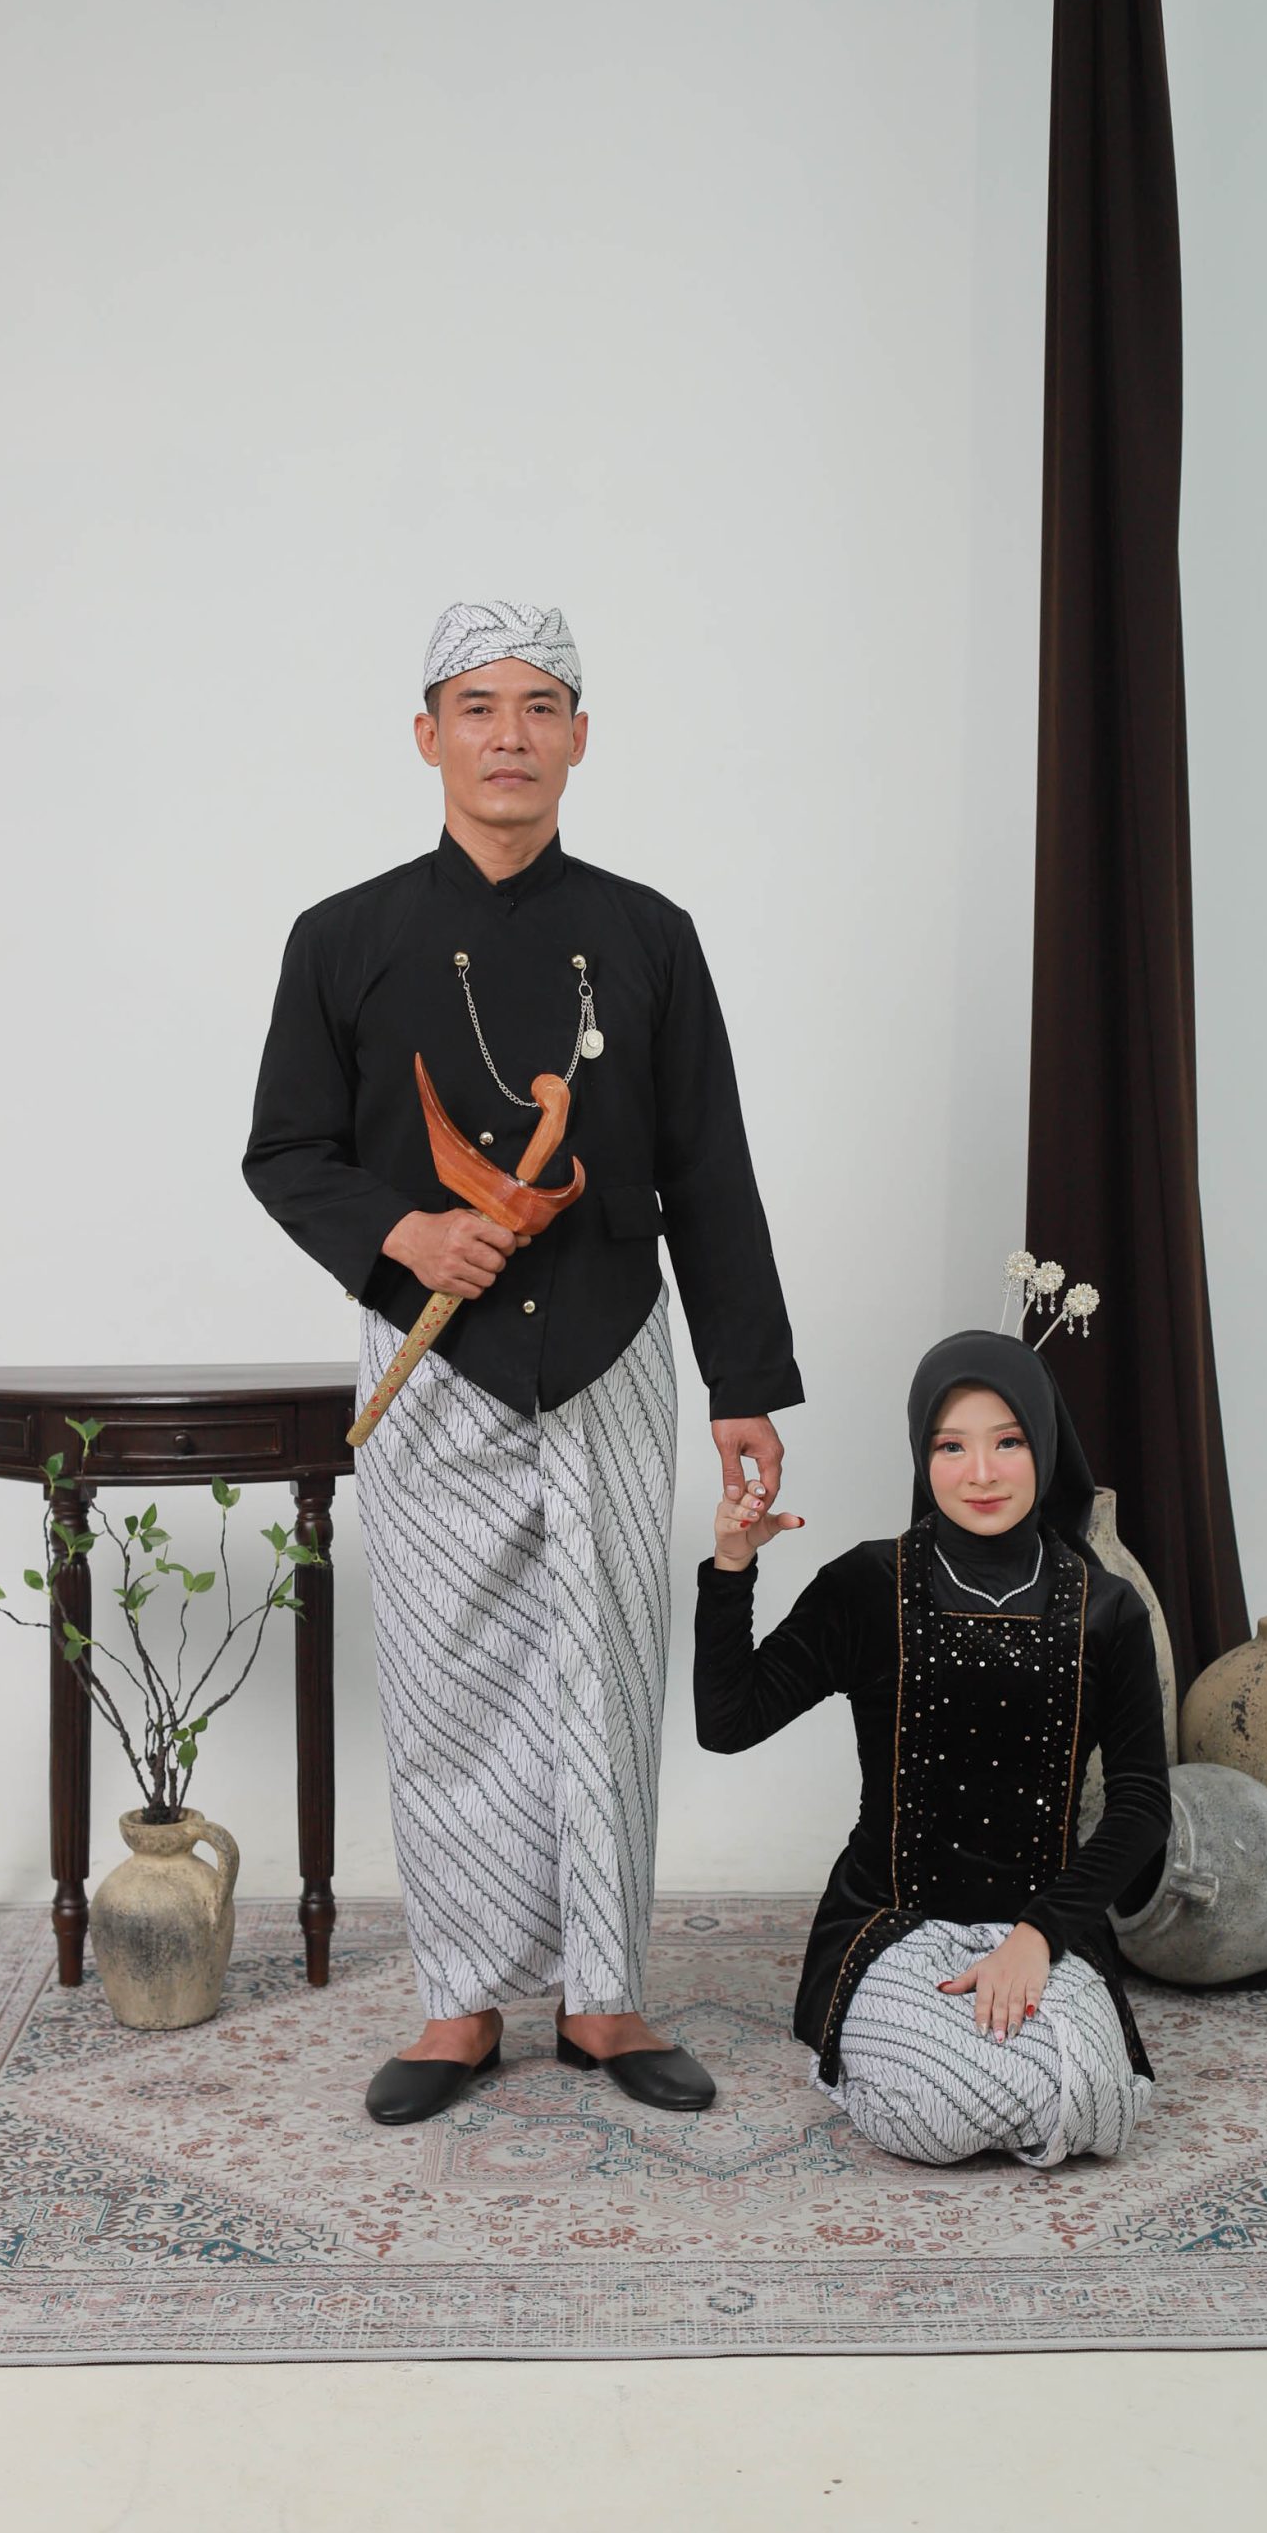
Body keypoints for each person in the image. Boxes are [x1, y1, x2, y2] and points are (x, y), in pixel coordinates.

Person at [245, 601, 801, 2124]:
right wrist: (406, 1234)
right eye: (479, 707)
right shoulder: (341, 937)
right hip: (432, 1362)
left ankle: (605, 2002)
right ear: (427, 735)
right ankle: (460, 2005)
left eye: (540, 706)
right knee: (444, 1680)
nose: (510, 735)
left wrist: (743, 1384)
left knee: (607, 1667)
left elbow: (710, 1167)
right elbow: (284, 1149)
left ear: (578, 737)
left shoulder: (648, 934)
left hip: (614, 1348)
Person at [693, 1329, 1171, 2167]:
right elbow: (727, 1723)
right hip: (889, 1922)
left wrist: (1037, 1937)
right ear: (922, 1454)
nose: (980, 1472)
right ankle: (895, 2053)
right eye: (951, 1447)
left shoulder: (1107, 1609)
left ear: (1044, 1445)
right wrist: (731, 1568)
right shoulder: (866, 1586)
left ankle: (952, 2057)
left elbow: (1141, 1806)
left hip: (1042, 1929)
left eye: (1007, 1442)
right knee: (944, 2116)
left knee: (1098, 2108)